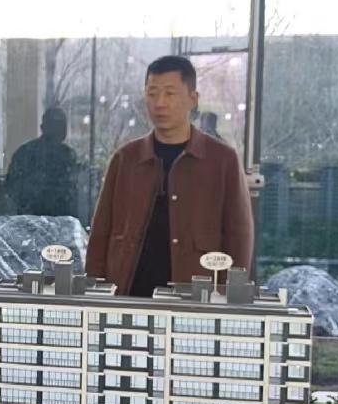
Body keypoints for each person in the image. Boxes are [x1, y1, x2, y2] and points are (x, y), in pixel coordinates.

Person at [86, 55, 252, 298]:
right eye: (152, 94)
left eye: (169, 93)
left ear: (193, 99)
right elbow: (101, 232)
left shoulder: (222, 160)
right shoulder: (125, 159)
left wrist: (229, 295)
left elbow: (239, 235)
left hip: (196, 297)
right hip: (129, 293)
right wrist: (95, 290)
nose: (159, 103)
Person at [5, 107, 79, 217]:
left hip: (35, 218)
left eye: (59, 127)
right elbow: (11, 190)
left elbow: (10, 189)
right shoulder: (67, 155)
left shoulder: (24, 152)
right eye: (54, 127)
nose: (57, 131)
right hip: (34, 218)